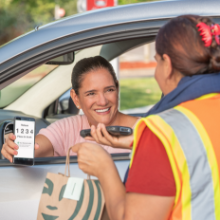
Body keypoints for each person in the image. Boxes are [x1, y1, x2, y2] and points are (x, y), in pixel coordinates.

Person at [71, 15, 220, 220]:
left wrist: (105, 169)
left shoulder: (163, 132)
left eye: (156, 62)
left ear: (167, 65)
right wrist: (140, 143)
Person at [1, 56, 138, 162]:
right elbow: (36, 148)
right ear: (76, 98)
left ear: (117, 89)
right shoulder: (68, 128)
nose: (102, 101)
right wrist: (15, 148)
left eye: (109, 90)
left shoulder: (146, 129)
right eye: (91, 93)